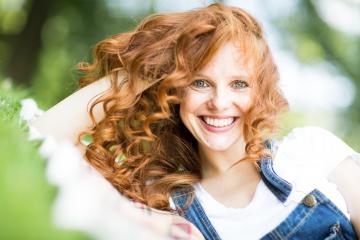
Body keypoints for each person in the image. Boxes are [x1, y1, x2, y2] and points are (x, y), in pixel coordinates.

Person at [31, 3, 360, 240]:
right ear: (176, 91)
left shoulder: (312, 153)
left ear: (260, 94)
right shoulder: (167, 205)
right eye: (200, 82)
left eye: (238, 84)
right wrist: (146, 69)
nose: (219, 102)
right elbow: (38, 138)